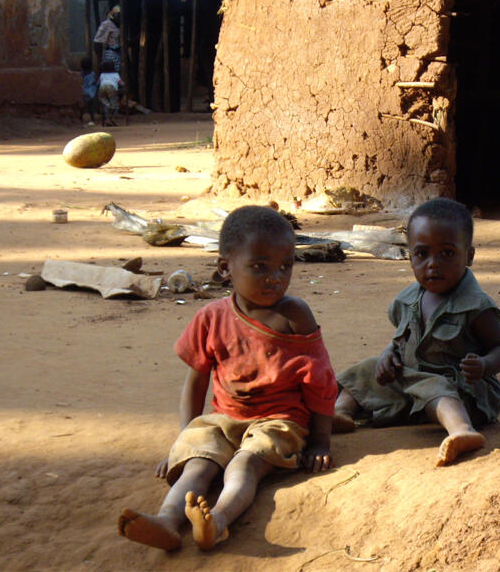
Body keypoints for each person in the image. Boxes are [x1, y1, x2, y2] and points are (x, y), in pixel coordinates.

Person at [117, 205, 338, 551]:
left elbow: (319, 380)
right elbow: (196, 382)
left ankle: (217, 520)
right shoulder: (210, 318)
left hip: (280, 421)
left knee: (245, 464)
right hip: (224, 418)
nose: (275, 277)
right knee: (198, 466)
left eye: (285, 266)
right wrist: (184, 441)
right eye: (259, 267)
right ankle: (168, 521)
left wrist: (321, 441)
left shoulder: (294, 316)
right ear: (225, 268)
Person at [333, 198, 500, 467]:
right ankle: (340, 412)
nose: (433, 264)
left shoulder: (475, 306)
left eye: (447, 253)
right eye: (422, 254)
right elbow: (400, 340)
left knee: (433, 385)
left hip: (463, 393)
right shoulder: (407, 300)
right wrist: (387, 356)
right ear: (410, 255)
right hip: (415, 383)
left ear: (470, 256)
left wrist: (485, 365)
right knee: (366, 369)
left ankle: (462, 431)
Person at [94, 5, 121, 73]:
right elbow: (98, 41)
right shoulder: (107, 24)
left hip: (116, 52)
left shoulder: (117, 25)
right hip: (109, 52)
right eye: (117, 15)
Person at [97, 61, 124, 126]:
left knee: (106, 104)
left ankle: (107, 119)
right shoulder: (116, 74)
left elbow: (98, 83)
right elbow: (121, 83)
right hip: (111, 88)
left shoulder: (102, 75)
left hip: (102, 88)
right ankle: (113, 118)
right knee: (115, 104)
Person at [79, 57, 97, 125]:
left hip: (82, 92)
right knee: (91, 107)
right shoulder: (92, 74)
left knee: (82, 107)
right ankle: (92, 119)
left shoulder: (80, 74)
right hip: (91, 93)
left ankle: (80, 119)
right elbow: (94, 82)